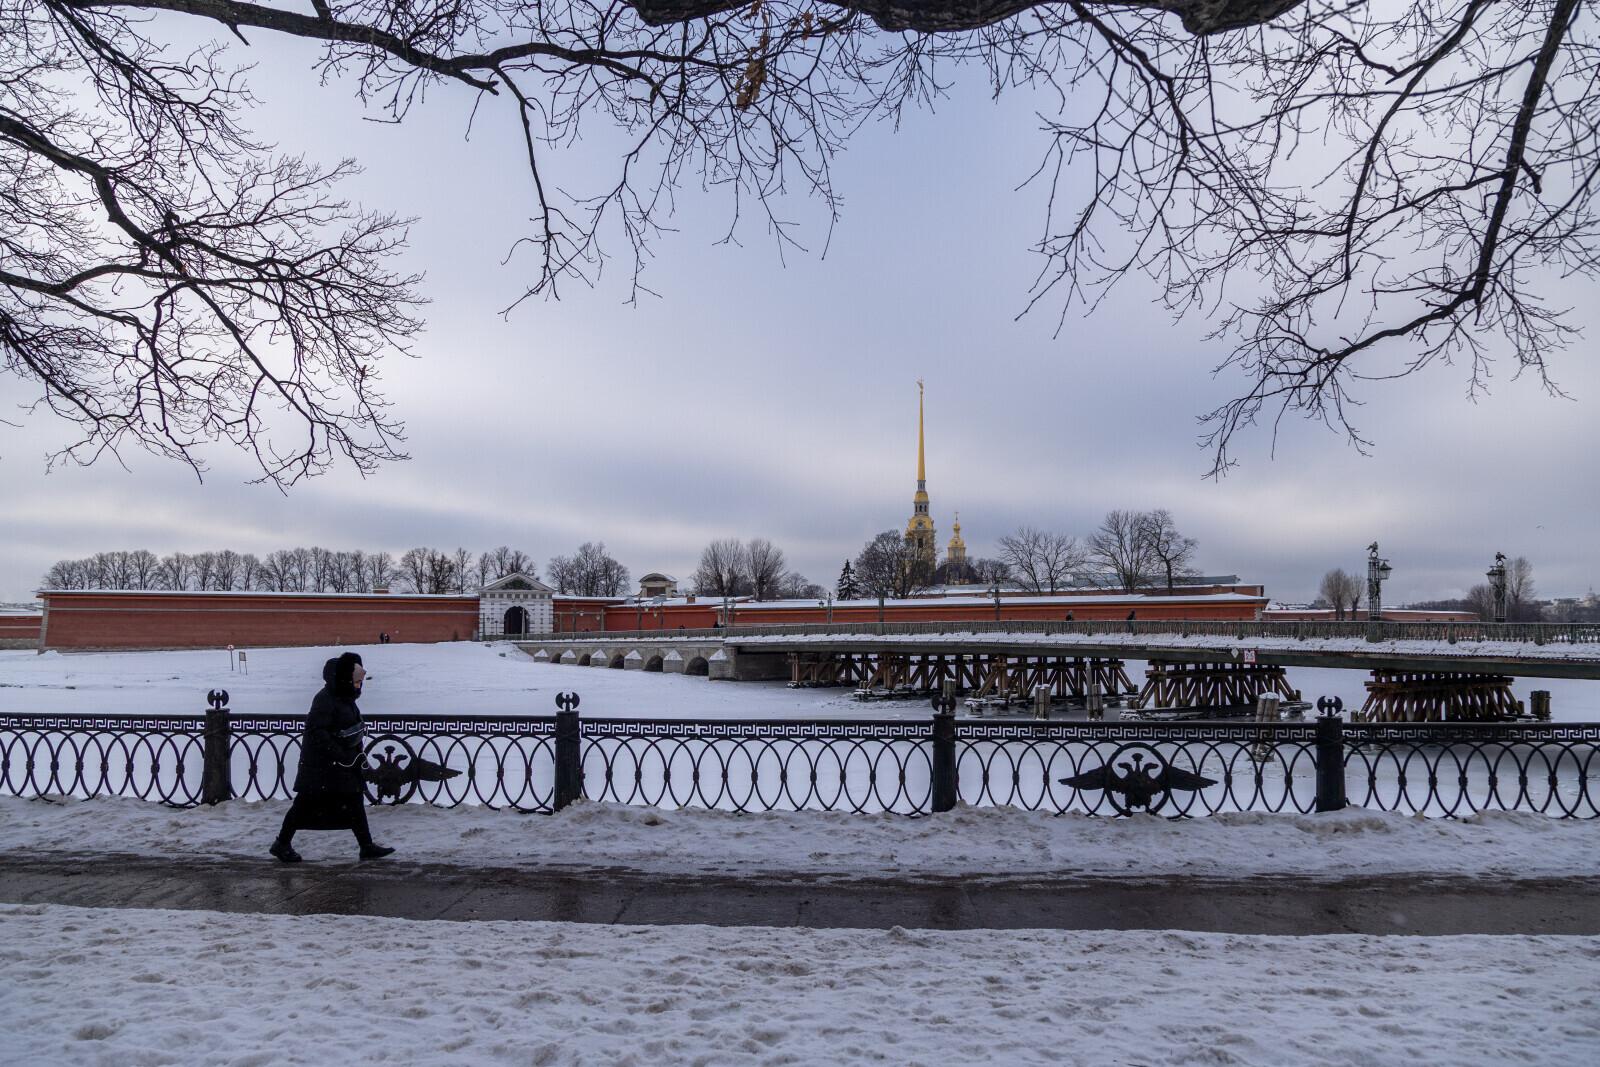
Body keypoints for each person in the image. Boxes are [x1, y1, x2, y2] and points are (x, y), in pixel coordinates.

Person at [269, 652, 395, 862]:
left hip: (340, 764)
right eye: (356, 681)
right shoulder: (325, 699)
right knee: (304, 804)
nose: (359, 686)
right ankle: (281, 843)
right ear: (344, 679)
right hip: (321, 766)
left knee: (354, 800)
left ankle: (366, 846)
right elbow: (317, 732)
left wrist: (353, 751)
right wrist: (340, 752)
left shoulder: (344, 697)